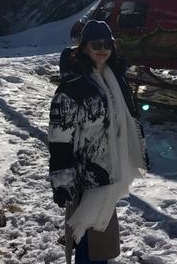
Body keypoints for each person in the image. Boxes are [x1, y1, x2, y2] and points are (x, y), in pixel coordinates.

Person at [48, 19, 148, 264]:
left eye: (107, 44)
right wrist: (62, 180)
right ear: (84, 48)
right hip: (85, 175)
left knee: (100, 238)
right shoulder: (74, 86)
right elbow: (60, 136)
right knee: (88, 238)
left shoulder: (116, 80)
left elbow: (130, 119)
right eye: (95, 44)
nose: (102, 49)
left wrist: (139, 151)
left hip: (110, 171)